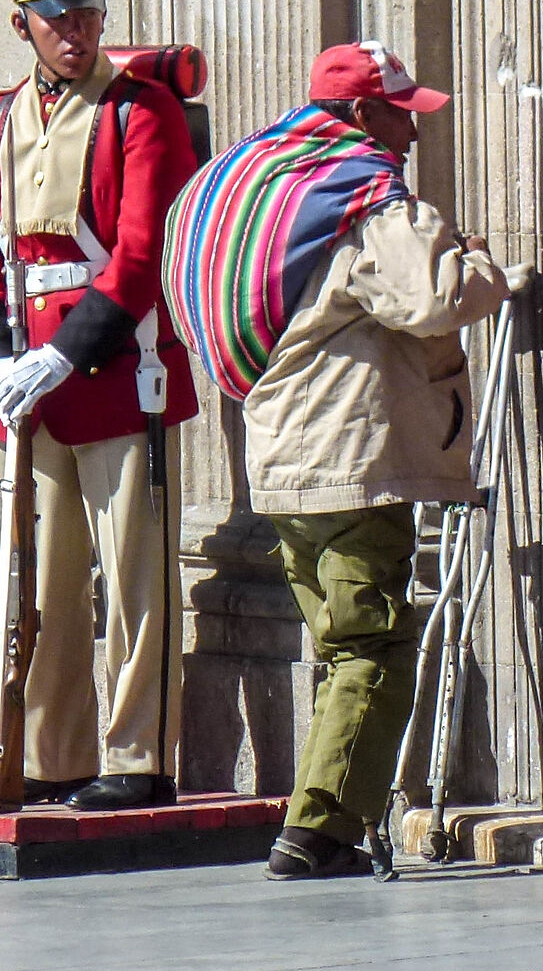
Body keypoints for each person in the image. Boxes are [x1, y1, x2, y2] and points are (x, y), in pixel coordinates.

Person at [174, 42, 506, 879]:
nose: (412, 134)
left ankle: (321, 816)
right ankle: (318, 831)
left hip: (281, 458)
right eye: (402, 114)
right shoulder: (362, 195)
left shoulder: (258, 182)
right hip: (352, 457)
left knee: (336, 639)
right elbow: (433, 301)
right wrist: (484, 268)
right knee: (375, 644)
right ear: (362, 115)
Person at [0, 0, 202, 812]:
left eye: (89, 12)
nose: (76, 30)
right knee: (45, 581)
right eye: (57, 15)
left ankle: (138, 757)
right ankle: (52, 755)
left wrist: (62, 356)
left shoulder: (142, 112)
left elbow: (140, 255)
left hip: (110, 366)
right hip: (27, 376)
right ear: (22, 23)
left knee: (134, 574)